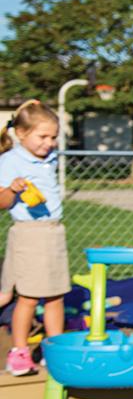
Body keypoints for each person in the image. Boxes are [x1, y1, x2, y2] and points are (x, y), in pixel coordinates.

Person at [0, 100, 70, 376]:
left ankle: (54, 348)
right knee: (28, 297)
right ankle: (19, 352)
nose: (49, 143)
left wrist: (33, 106)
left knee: (56, 295)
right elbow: (2, 201)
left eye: (53, 137)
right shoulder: (10, 160)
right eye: (43, 136)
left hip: (53, 230)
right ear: (21, 134)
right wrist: (13, 189)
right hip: (29, 233)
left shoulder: (47, 157)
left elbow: (31, 110)